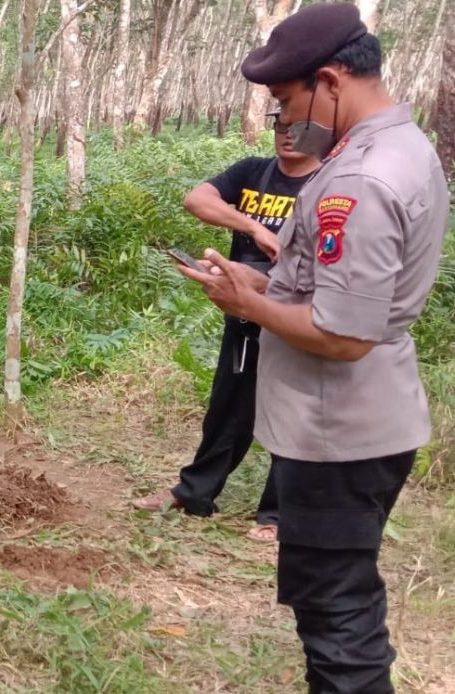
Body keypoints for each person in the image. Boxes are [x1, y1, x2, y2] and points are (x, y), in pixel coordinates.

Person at [180, 4, 450, 692]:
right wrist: (262, 278)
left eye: (285, 100)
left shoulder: (361, 177)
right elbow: (336, 289)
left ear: (330, 81)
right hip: (353, 425)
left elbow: (344, 334)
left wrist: (251, 305)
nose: (283, 119)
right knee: (337, 605)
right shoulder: (395, 149)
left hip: (341, 430)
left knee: (338, 622)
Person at [132, 117, 321, 542]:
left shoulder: (328, 183)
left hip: (296, 316)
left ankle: (277, 515)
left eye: (300, 125)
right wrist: (253, 227)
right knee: (228, 409)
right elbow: (196, 199)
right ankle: (194, 494)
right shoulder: (254, 171)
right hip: (244, 314)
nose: (288, 134)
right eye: (281, 123)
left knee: (293, 413)